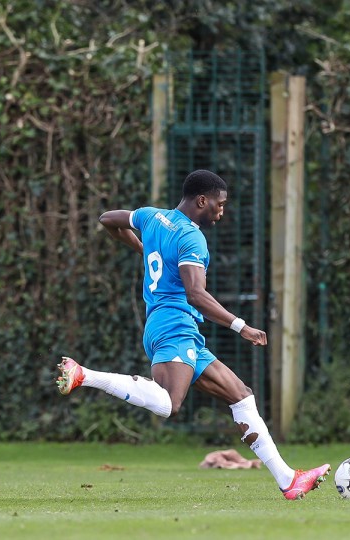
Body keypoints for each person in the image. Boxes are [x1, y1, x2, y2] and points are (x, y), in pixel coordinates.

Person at [56, 169, 329, 500]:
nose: (221, 210)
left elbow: (108, 219)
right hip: (175, 325)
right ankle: (85, 375)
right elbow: (195, 294)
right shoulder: (191, 238)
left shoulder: (152, 216)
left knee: (241, 395)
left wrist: (143, 249)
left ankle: (288, 480)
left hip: (172, 326)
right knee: (170, 404)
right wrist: (241, 326)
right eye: (219, 204)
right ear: (202, 200)